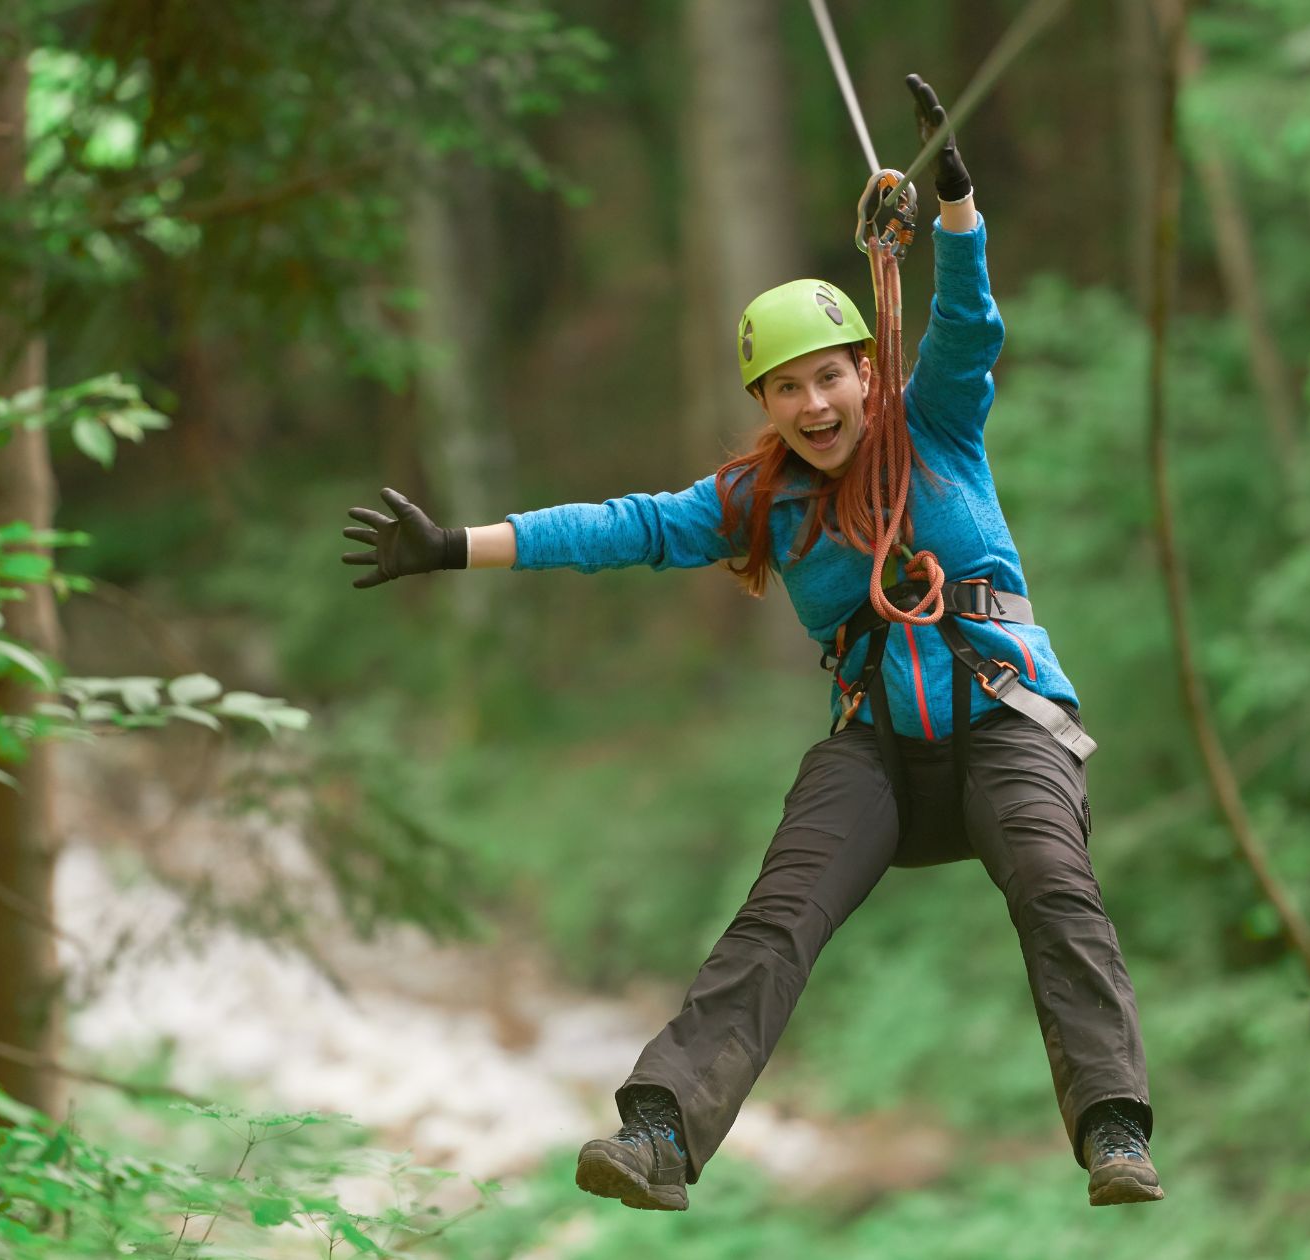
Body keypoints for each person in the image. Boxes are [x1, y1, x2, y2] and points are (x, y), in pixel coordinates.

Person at [344, 74, 1158, 1213]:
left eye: (829, 377)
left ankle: (1113, 1133)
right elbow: (617, 528)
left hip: (1000, 721)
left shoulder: (936, 428)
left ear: (866, 373)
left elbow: (968, 327)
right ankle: (660, 1135)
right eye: (788, 390)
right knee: (777, 915)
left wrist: (958, 208)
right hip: (874, 744)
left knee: (1053, 887)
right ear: (766, 404)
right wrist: (450, 547)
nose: (815, 405)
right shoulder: (759, 500)